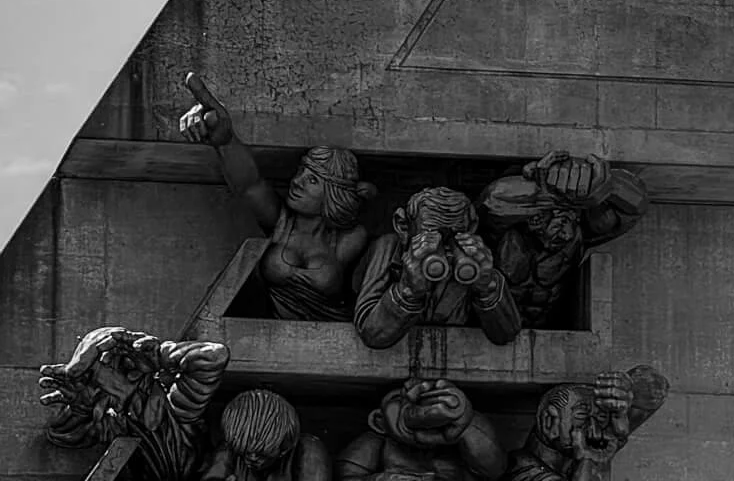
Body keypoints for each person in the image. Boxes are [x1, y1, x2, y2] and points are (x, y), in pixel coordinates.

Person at [178, 73, 375, 321]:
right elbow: (249, 184)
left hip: (336, 335)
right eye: (302, 171)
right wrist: (226, 142)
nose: (297, 181)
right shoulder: (282, 224)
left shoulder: (350, 239)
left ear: (335, 194)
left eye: (313, 180)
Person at [37, 326, 230, 481]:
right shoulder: (116, 422)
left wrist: (160, 355)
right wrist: (80, 409)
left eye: (105, 367)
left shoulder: (177, 407)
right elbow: (62, 435)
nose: (101, 379)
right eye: (92, 375)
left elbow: (215, 356)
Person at [477, 152, 647, 326]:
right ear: (533, 218)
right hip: (487, 323)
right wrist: (544, 189)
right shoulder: (502, 235)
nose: (566, 228)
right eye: (557, 216)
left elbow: (634, 208)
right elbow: (492, 201)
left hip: (549, 325)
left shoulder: (578, 237)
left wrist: (608, 185)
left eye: (570, 217)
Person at [492, 366, 667, 481]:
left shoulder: (582, 443)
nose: (594, 429)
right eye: (581, 417)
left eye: (600, 418)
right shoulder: (521, 472)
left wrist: (626, 391)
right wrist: (587, 459)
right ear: (550, 421)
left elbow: (656, 390)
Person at [333, 379, 507, 481]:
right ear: (379, 421)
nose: (421, 404)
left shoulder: (456, 442)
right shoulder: (375, 442)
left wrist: (468, 427)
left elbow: (495, 469)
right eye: (400, 399)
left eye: (432, 397)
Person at [354, 187, 520, 349]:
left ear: (471, 227)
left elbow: (507, 335)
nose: (443, 243)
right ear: (403, 226)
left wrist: (487, 287)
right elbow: (372, 333)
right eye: (431, 232)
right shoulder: (388, 248)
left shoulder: (475, 256)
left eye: (455, 233)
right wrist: (407, 291)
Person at [195, 388, 333, 481]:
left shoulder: (308, 450)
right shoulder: (230, 448)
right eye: (246, 453)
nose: (253, 458)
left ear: (285, 447)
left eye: (262, 454)